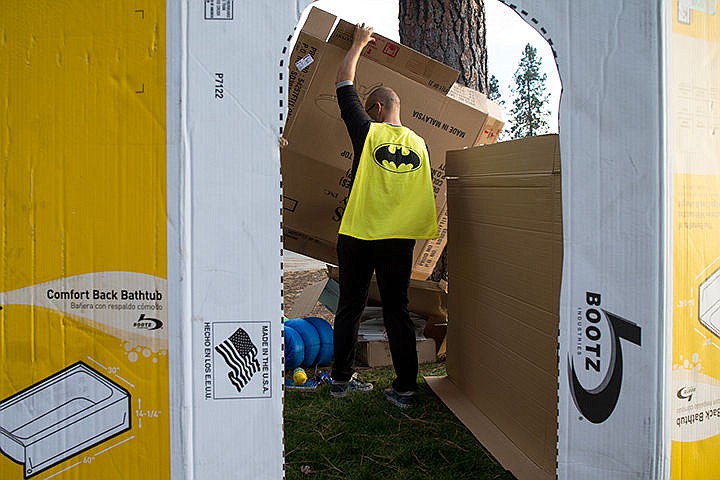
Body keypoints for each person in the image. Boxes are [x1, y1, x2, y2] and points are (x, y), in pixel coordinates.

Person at [329, 22, 438, 409]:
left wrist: (358, 44)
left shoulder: (367, 133)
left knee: (351, 306)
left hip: (359, 234)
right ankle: (406, 389)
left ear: (375, 109)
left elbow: (343, 83)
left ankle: (340, 380)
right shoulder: (420, 144)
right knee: (397, 310)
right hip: (398, 240)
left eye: (369, 107)